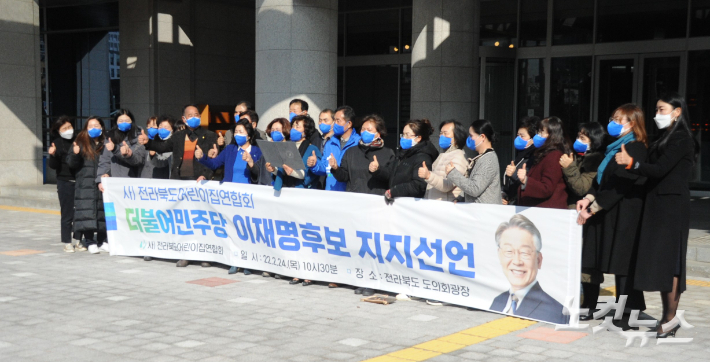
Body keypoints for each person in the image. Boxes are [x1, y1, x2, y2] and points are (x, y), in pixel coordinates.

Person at [614, 93, 699, 338]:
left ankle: (669, 320)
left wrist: (633, 164)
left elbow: (661, 169)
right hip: (657, 206)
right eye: (656, 109)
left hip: (671, 208)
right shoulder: (665, 136)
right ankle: (667, 318)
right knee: (662, 263)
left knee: (671, 264)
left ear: (677, 111)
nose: (657, 114)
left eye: (662, 109)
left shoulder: (682, 138)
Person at [576, 104, 649, 327]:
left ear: (632, 123)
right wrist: (588, 198)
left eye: (620, 119)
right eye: (613, 118)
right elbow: (601, 180)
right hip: (605, 211)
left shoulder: (635, 148)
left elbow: (620, 184)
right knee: (591, 257)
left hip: (623, 213)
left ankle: (629, 310)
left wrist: (593, 207)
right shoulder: (612, 148)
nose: (613, 123)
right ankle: (589, 305)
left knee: (622, 263)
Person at [141, 104, 218, 268]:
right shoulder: (178, 136)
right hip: (180, 182)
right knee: (184, 220)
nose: (194, 117)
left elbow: (213, 159)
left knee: (201, 220)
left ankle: (204, 254)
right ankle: (186, 254)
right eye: (190, 115)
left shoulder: (209, 135)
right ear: (184, 119)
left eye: (197, 114)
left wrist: (207, 175)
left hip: (199, 182)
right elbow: (162, 147)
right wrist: (148, 143)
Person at [196, 118, 263, 276]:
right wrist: (201, 157)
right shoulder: (231, 149)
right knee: (232, 229)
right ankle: (234, 261)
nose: (238, 134)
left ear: (249, 135)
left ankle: (248, 262)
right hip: (230, 196)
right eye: (236, 132)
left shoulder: (256, 150)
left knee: (246, 230)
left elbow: (259, 175)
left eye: (241, 132)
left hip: (248, 197)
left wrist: (252, 163)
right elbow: (215, 164)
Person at [489, 214, 569, 324]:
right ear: (499, 255)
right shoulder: (497, 301)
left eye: (525, 253)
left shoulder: (557, 312)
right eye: (509, 251)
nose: (517, 261)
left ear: (539, 260)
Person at [66, 116, 107, 255]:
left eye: (96, 125)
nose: (94, 128)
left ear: (101, 127)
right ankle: (90, 241)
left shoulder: (106, 142)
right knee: (87, 212)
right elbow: (71, 164)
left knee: (102, 212)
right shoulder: (80, 142)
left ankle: (103, 241)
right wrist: (75, 154)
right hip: (85, 184)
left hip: (102, 183)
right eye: (90, 126)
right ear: (86, 128)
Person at [374, 119, 438, 204]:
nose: (404, 138)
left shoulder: (423, 157)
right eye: (403, 134)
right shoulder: (402, 153)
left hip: (410, 205)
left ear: (418, 138)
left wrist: (395, 191)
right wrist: (378, 170)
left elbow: (418, 185)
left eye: (407, 135)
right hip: (396, 203)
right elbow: (391, 172)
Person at [47, 116, 86, 252]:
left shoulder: (79, 140)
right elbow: (53, 166)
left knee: (80, 213)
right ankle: (67, 241)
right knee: (67, 213)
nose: (68, 130)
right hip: (65, 182)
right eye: (64, 128)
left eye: (69, 127)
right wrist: (52, 155)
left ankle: (79, 240)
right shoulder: (56, 143)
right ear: (59, 131)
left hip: (80, 181)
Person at [331, 114, 395, 195]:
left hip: (376, 200)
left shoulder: (388, 153)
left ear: (378, 133)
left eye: (369, 129)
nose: (365, 132)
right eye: (363, 129)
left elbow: (391, 176)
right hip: (355, 199)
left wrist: (378, 170)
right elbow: (344, 176)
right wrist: (336, 168)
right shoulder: (351, 152)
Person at [516, 117, 570, 209]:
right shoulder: (544, 153)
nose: (538, 136)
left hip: (547, 211)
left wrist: (526, 180)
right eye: (538, 132)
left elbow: (547, 188)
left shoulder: (554, 155)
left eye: (541, 132)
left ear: (551, 135)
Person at [445, 119, 502, 204]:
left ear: (482, 137)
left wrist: (453, 173)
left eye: (471, 136)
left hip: (485, 214)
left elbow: (475, 189)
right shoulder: (482, 157)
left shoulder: (488, 160)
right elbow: (473, 183)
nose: (469, 139)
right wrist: (461, 198)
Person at [308, 106, 362, 191]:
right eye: (334, 120)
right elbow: (325, 168)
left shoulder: (358, 143)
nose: (335, 124)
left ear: (349, 124)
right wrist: (315, 164)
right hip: (331, 192)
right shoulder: (330, 143)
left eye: (338, 121)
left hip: (350, 193)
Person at [418, 120, 467, 201]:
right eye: (441, 133)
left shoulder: (458, 156)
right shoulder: (444, 155)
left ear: (457, 136)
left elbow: (448, 185)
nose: (441, 136)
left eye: (445, 133)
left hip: (446, 206)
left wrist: (428, 176)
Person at [560, 123, 605, 208]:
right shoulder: (577, 156)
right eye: (578, 137)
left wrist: (569, 167)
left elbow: (581, 188)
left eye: (582, 138)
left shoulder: (595, 161)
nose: (578, 140)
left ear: (594, 141)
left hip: (581, 209)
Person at [98, 109, 148, 187]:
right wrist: (100, 180)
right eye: (120, 121)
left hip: (134, 184)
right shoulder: (110, 137)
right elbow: (104, 161)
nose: (124, 123)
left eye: (127, 120)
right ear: (116, 122)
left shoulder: (139, 136)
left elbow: (138, 160)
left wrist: (128, 154)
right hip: (114, 184)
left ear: (132, 121)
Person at [502, 116, 539, 205]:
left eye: (522, 136)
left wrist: (514, 174)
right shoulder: (521, 155)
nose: (518, 138)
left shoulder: (534, 157)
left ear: (533, 138)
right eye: (518, 135)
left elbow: (530, 183)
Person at [140, 115, 173, 179]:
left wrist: (153, 155)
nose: (151, 128)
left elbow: (163, 162)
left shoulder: (166, 143)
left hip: (162, 177)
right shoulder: (143, 142)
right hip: (146, 177)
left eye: (154, 125)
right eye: (149, 126)